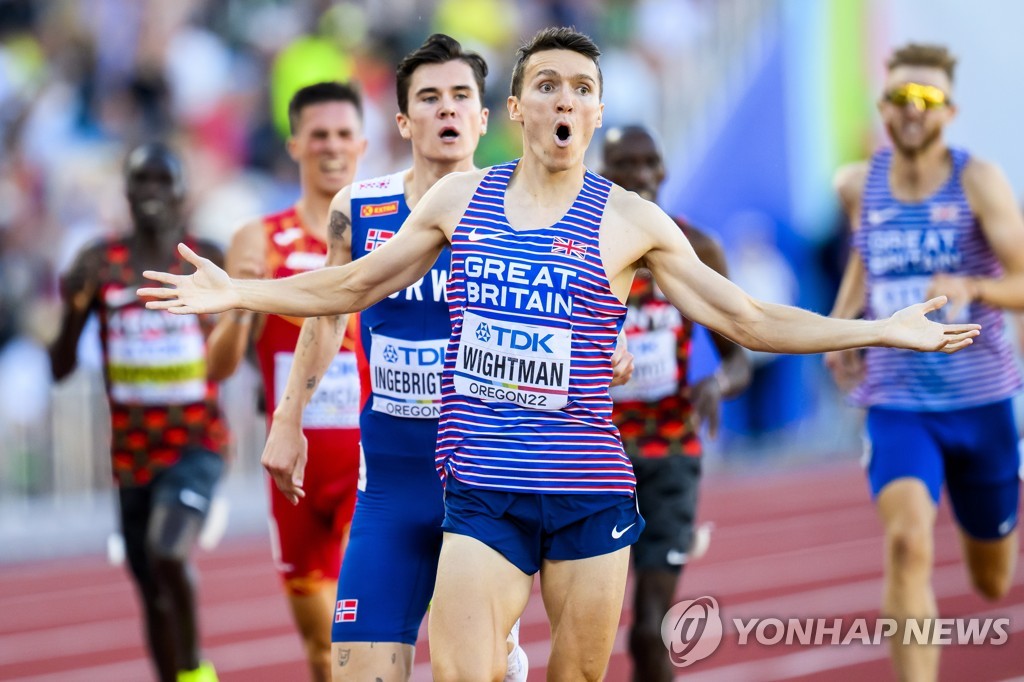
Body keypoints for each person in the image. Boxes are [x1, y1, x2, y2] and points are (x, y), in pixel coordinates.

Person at [139, 28, 980, 682]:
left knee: (577, 673)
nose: (564, 99)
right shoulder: (461, 198)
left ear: (597, 111)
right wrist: (238, 294)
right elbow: (348, 288)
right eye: (547, 86)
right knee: (460, 669)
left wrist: (879, 329)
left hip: (585, 493)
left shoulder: (631, 221)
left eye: (582, 87)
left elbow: (749, 319)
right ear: (519, 110)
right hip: (483, 491)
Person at [256, 36, 527, 682]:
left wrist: (614, 338)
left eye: (461, 97)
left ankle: (503, 652)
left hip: (484, 489)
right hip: (390, 490)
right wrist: (287, 420)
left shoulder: (519, 210)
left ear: (484, 118)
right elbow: (327, 317)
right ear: (403, 121)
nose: (447, 110)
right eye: (429, 99)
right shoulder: (362, 209)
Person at [825, 43, 1024, 681]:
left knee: (992, 581)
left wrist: (976, 288)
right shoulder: (858, 183)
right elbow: (864, 257)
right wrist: (840, 331)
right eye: (902, 97)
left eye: (928, 99)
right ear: (884, 106)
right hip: (899, 403)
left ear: (950, 109)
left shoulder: (978, 180)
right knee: (908, 544)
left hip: (982, 401)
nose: (913, 110)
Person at [204, 82, 366, 682]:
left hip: (367, 462)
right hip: (291, 469)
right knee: (323, 651)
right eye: (319, 135)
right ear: (295, 144)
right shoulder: (259, 238)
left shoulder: (389, 229)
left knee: (360, 634)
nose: (332, 147)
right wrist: (240, 309)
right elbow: (219, 368)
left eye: (344, 134)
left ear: (364, 143)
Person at [50, 143, 226, 682]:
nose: (150, 192)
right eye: (139, 181)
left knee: (168, 552)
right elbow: (59, 366)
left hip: (196, 442)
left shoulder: (206, 256)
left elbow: (243, 340)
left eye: (161, 180)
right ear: (125, 193)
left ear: (181, 191)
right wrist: (74, 310)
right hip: (131, 452)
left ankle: (196, 673)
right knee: (149, 583)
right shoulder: (97, 262)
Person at [601, 124, 752, 682]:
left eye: (649, 163)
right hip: (593, 457)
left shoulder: (697, 249)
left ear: (663, 171)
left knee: (649, 629)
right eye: (625, 165)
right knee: (584, 627)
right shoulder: (580, 250)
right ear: (602, 174)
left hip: (669, 454)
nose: (640, 175)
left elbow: (738, 357)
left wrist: (718, 384)